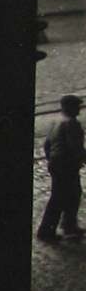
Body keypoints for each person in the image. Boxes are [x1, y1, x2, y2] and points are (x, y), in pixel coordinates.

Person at [37, 93, 85, 242]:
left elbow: (47, 144)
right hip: (66, 164)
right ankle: (48, 231)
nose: (79, 110)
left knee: (69, 194)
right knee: (63, 196)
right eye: (77, 107)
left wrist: (51, 159)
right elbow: (75, 147)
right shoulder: (71, 123)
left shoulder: (56, 121)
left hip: (57, 163)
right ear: (70, 107)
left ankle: (68, 225)